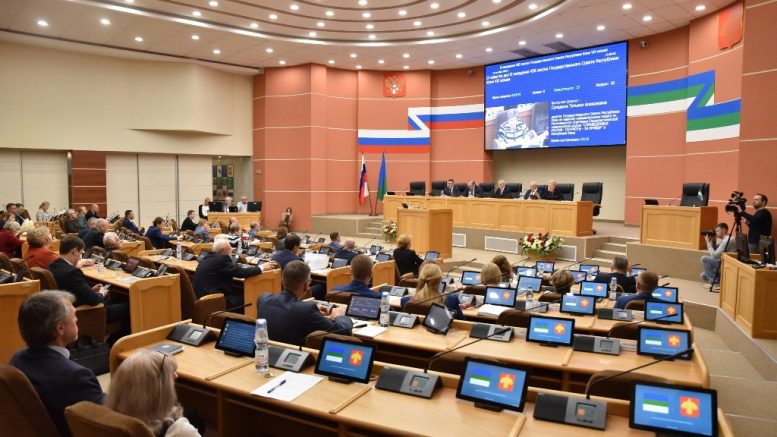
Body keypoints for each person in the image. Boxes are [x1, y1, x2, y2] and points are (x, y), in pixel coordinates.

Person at [10, 291, 106, 437]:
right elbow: (108, 420)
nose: (77, 319)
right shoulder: (75, 376)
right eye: (74, 315)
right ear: (60, 328)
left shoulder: (17, 359)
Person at [49, 236, 130, 340]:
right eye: (81, 253)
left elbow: (71, 289)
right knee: (128, 306)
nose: (80, 257)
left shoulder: (52, 265)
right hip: (85, 312)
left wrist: (90, 290)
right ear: (74, 251)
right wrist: (101, 293)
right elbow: (94, 300)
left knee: (117, 300)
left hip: (68, 306)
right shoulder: (72, 272)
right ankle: (118, 342)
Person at [107, 349, 201, 437]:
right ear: (159, 390)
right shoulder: (180, 430)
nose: (176, 376)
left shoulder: (112, 423)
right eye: (171, 376)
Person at [258, 260, 353, 346]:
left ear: (282, 281)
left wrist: (311, 310)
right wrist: (339, 316)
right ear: (306, 285)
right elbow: (342, 332)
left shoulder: (263, 299)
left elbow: (286, 310)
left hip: (264, 352)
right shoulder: (307, 310)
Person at [193, 238, 277, 308]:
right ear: (222, 250)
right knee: (249, 296)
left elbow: (231, 270)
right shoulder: (221, 259)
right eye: (230, 249)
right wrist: (261, 267)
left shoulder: (207, 257)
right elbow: (241, 273)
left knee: (239, 290)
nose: (232, 252)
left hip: (201, 296)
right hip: (215, 300)